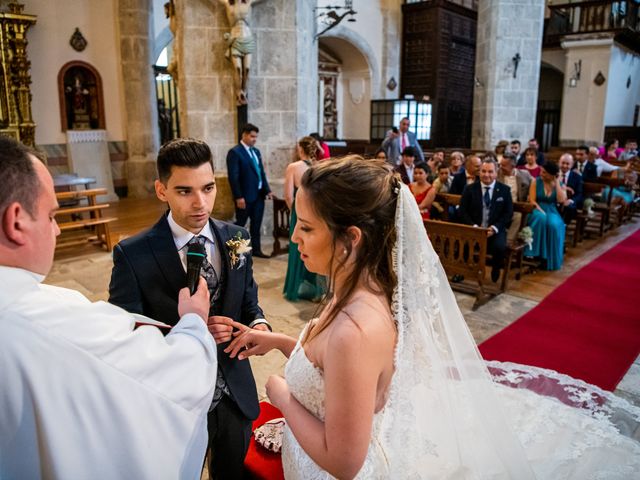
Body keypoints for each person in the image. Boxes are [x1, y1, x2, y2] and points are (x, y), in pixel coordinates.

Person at [221, 157, 640, 478]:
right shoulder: (353, 289)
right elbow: (333, 369)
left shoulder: (357, 327)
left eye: (307, 228)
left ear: (351, 238)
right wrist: (279, 343)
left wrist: (282, 398)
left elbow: (344, 463)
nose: (293, 238)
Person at [0, 136, 218, 479]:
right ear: (16, 222)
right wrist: (193, 324)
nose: (56, 229)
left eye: (208, 188)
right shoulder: (51, 322)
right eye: (51, 215)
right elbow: (173, 379)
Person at [109, 138, 271, 480]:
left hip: (233, 394)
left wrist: (258, 328)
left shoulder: (236, 238)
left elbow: (248, 303)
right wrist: (188, 329)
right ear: (161, 190)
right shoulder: (133, 254)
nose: (201, 203)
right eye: (184, 191)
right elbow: (123, 336)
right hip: (172, 400)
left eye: (208, 188)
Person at [283, 136, 326, 301]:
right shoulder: (319, 167)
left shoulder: (293, 167)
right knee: (314, 248)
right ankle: (318, 291)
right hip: (315, 213)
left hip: (298, 213)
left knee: (297, 249)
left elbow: (288, 196)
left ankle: (295, 288)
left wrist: (296, 213)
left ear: (300, 149)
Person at [458, 159, 514, 283]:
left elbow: (508, 213)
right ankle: (462, 271)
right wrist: (473, 226)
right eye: (483, 171)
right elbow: (462, 211)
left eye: (490, 171)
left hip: (494, 230)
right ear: (479, 172)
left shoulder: (504, 190)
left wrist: (494, 228)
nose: (486, 175)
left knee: (499, 247)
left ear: (496, 173)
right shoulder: (469, 189)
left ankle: (496, 269)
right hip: (474, 229)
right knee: (463, 244)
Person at [227, 123, 272, 258]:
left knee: (256, 225)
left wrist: (267, 190)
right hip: (244, 197)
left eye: (256, 137)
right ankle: (236, 252)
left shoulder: (256, 152)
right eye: (252, 136)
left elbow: (261, 173)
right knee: (240, 225)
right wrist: (238, 196)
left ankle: (256, 250)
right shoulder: (235, 152)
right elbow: (233, 177)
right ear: (244, 135)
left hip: (258, 195)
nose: (254, 139)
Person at [525, 162, 567, 271]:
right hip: (536, 208)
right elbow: (532, 200)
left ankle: (549, 259)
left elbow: (561, 200)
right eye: (541, 171)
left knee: (553, 225)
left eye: (545, 172)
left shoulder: (559, 184)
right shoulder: (536, 181)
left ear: (552, 175)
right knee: (541, 219)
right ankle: (534, 253)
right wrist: (539, 209)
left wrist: (557, 182)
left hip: (552, 210)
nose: (541, 174)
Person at [558, 153, 584, 225]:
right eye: (563, 163)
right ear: (559, 162)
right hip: (556, 200)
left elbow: (579, 194)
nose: (565, 166)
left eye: (567, 164)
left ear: (572, 165)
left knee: (569, 207)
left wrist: (571, 200)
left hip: (569, 202)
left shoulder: (577, 177)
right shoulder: (554, 174)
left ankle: (563, 225)